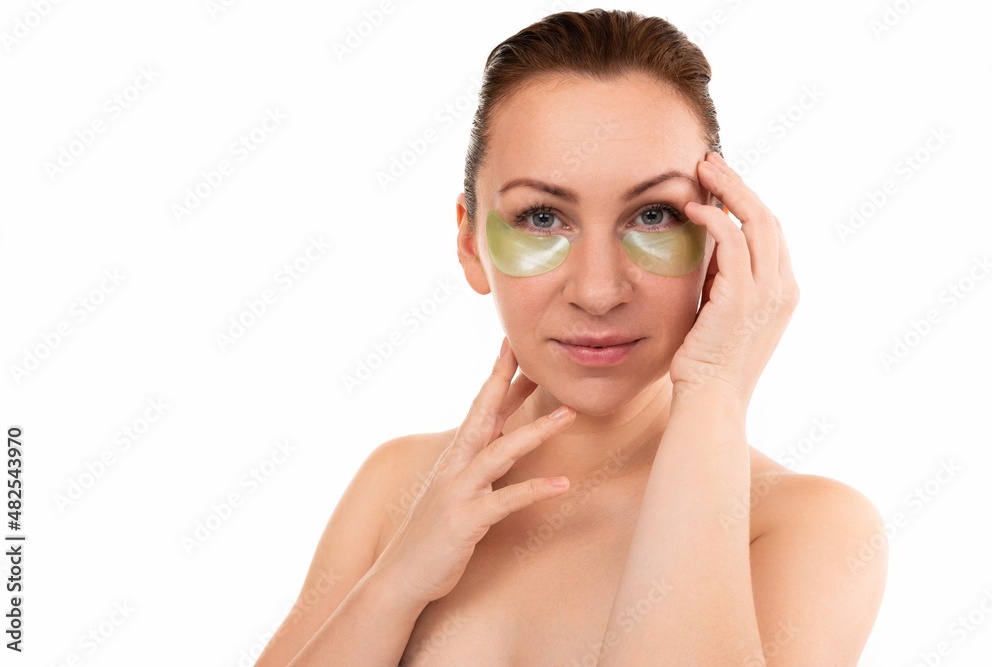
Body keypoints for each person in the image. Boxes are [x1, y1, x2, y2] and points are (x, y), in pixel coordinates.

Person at [256, 9, 887, 665]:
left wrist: (716, 391)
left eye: (653, 215)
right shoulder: (398, 488)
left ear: (719, 238)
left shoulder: (806, 527)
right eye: (542, 217)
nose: (598, 290)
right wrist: (396, 584)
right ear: (470, 244)